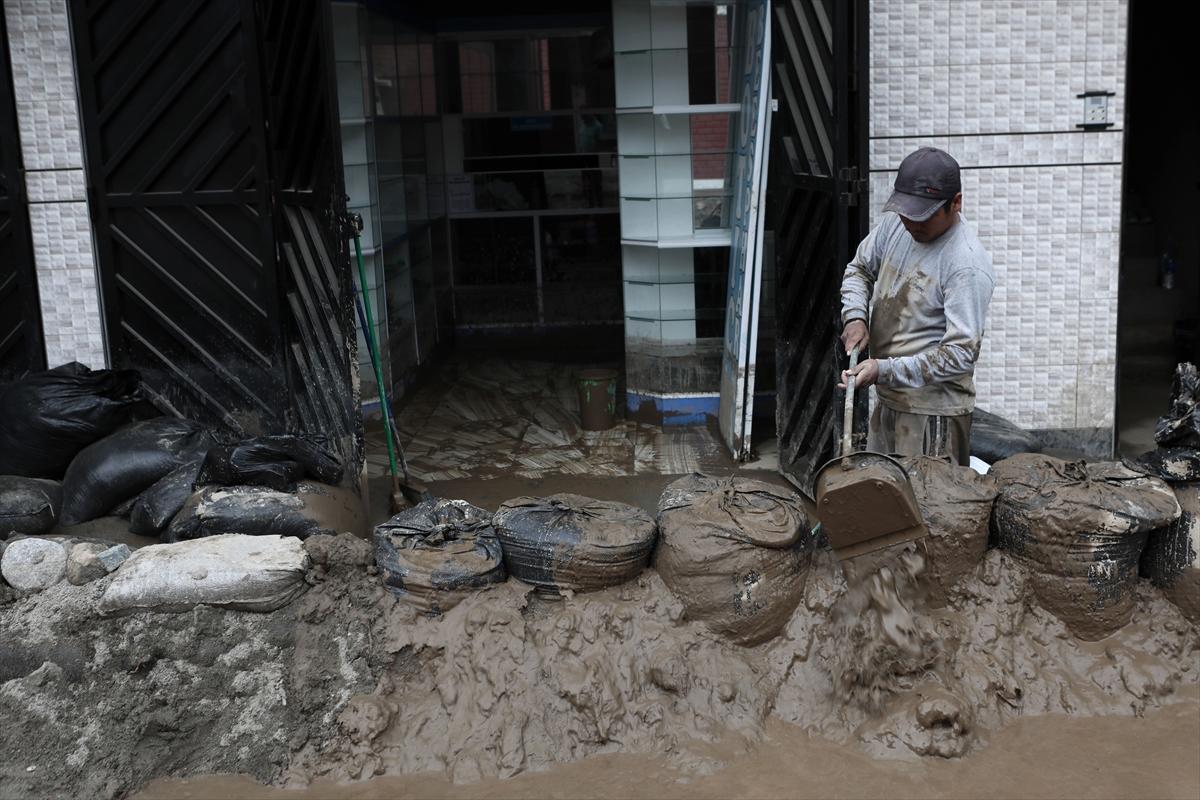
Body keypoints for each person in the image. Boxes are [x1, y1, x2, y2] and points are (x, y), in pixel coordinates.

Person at [838, 147, 995, 465]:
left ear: (956, 203)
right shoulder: (896, 227)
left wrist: (885, 369)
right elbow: (859, 269)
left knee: (928, 509)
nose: (911, 223)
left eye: (923, 215)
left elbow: (961, 354)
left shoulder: (965, 264)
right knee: (882, 497)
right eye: (906, 212)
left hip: (933, 414)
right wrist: (854, 316)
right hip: (890, 399)